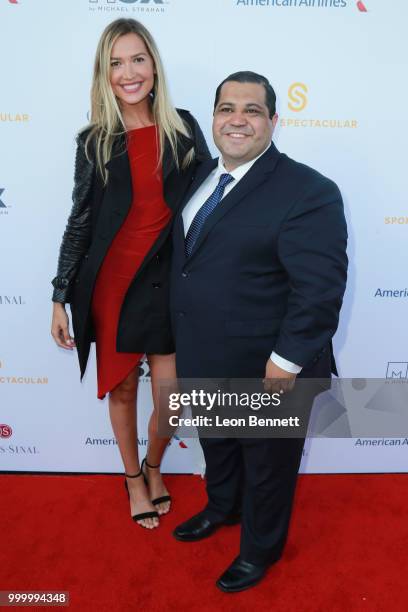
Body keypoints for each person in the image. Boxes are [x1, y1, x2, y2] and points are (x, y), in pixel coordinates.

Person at [170, 72, 348, 591]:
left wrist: (287, 362)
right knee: (218, 443)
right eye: (227, 108)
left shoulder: (309, 191)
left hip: (270, 365)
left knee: (268, 465)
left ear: (274, 120)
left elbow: (319, 290)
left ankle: (259, 551)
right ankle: (222, 507)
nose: (237, 119)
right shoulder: (198, 175)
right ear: (214, 118)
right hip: (203, 349)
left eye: (252, 110)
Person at [51, 18, 210, 530]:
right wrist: (60, 294)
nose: (128, 72)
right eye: (115, 63)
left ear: (154, 65)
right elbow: (80, 221)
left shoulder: (183, 127)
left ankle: (155, 464)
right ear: (104, 74)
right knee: (122, 388)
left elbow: (210, 205)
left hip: (169, 280)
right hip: (114, 282)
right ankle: (132, 478)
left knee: (172, 396)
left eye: (137, 58)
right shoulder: (94, 141)